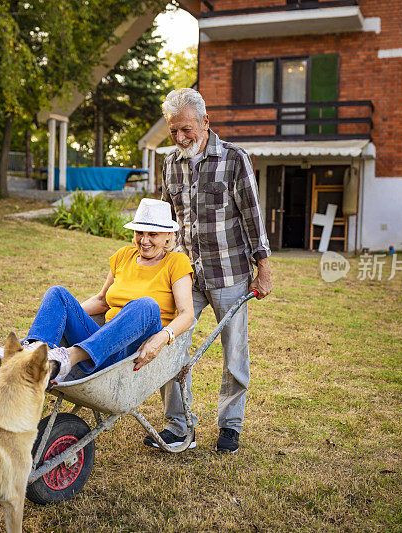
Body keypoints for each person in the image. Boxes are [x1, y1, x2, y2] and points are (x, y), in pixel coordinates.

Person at [147, 87, 273, 454]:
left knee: (234, 353)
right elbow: (166, 222)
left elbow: (253, 216)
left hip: (230, 273)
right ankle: (178, 427)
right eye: (174, 131)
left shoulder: (234, 159)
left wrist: (262, 269)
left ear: (205, 121)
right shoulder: (170, 163)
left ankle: (230, 426)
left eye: (186, 129)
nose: (181, 137)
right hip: (186, 274)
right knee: (170, 345)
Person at [0, 199, 195, 388]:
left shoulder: (176, 262)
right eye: (140, 232)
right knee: (57, 293)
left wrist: (161, 337)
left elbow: (187, 314)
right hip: (101, 343)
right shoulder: (124, 256)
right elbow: (102, 300)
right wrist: (64, 315)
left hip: (131, 355)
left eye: (153, 234)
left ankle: (67, 358)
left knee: (146, 305)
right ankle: (35, 354)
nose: (144, 240)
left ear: (168, 235)